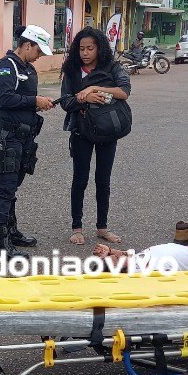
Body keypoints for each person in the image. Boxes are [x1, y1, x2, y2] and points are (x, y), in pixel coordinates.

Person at [58, 27, 130, 246]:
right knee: (80, 179)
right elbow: (65, 102)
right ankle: (77, 228)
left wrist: (95, 88)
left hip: (108, 131)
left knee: (103, 180)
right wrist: (84, 99)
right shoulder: (71, 71)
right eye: (81, 48)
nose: (85, 53)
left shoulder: (111, 67)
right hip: (81, 131)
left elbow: (124, 91)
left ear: (99, 48)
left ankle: (102, 228)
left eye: (90, 48)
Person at [0, 25, 56, 258]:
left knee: (13, 186)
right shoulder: (6, 66)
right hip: (7, 136)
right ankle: (1, 244)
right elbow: (5, 98)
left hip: (24, 137)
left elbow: (25, 101)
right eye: (38, 51)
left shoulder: (27, 68)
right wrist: (34, 101)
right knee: (4, 188)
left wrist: (39, 103)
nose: (39, 57)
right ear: (27, 45)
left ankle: (12, 231)